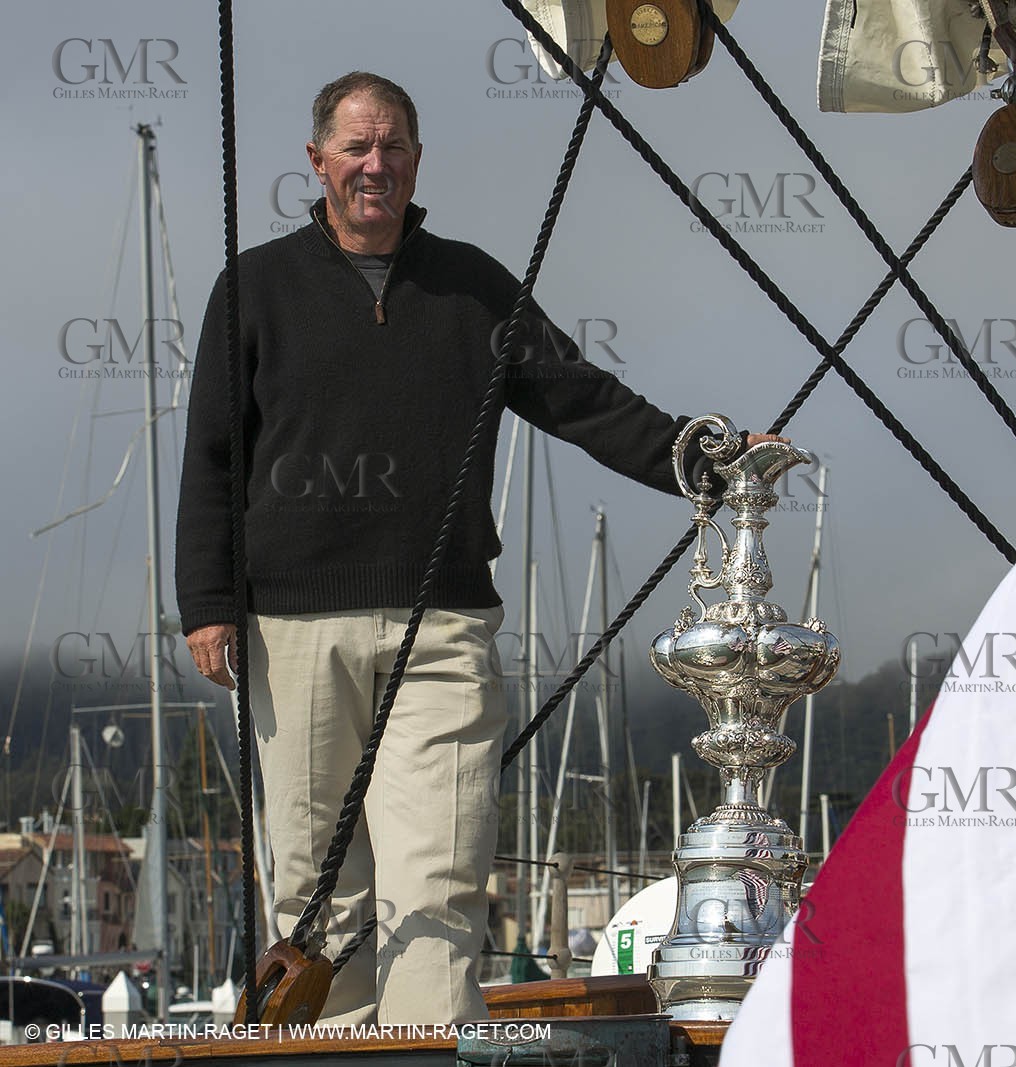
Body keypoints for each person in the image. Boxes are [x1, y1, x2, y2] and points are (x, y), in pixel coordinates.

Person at [176, 71, 771, 1025]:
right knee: (311, 895)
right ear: (318, 160)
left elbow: (579, 395)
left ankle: (420, 1049)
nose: (376, 166)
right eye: (358, 148)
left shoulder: (473, 286)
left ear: (417, 161)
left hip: (440, 622)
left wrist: (694, 458)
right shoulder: (254, 288)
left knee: (440, 883)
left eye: (395, 148)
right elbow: (211, 452)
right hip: (289, 621)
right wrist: (206, 603)